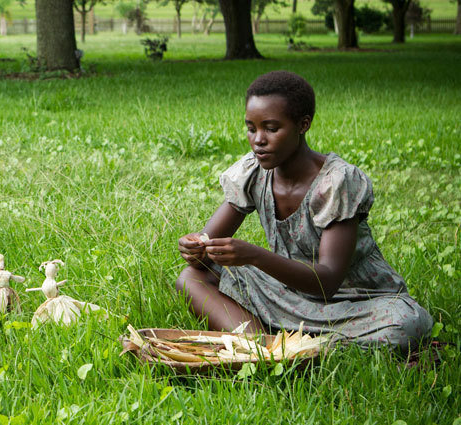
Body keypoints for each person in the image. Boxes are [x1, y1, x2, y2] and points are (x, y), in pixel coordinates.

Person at [176, 71, 432, 351]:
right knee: (191, 279)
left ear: (303, 125)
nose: (258, 139)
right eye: (251, 128)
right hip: (288, 293)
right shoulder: (253, 173)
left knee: (404, 325)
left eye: (271, 129)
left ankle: (292, 342)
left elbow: (328, 282)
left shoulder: (336, 182)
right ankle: (265, 348)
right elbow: (203, 252)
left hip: (355, 303)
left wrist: (255, 256)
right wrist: (195, 247)